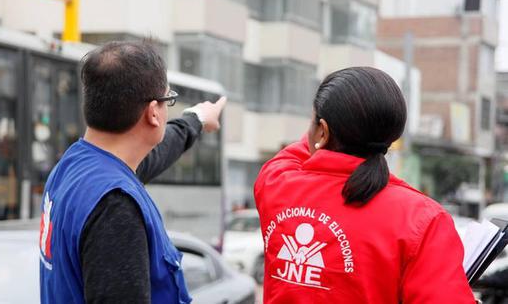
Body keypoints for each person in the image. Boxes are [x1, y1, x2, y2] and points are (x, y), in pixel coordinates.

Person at [254, 67, 474, 303]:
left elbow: (298, 151)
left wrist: (325, 131)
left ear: (322, 131)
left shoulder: (276, 183)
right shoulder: (421, 218)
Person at [39, 40, 227, 304]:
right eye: (168, 100)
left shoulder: (73, 166)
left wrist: (196, 118)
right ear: (153, 113)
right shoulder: (115, 206)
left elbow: (155, 155)